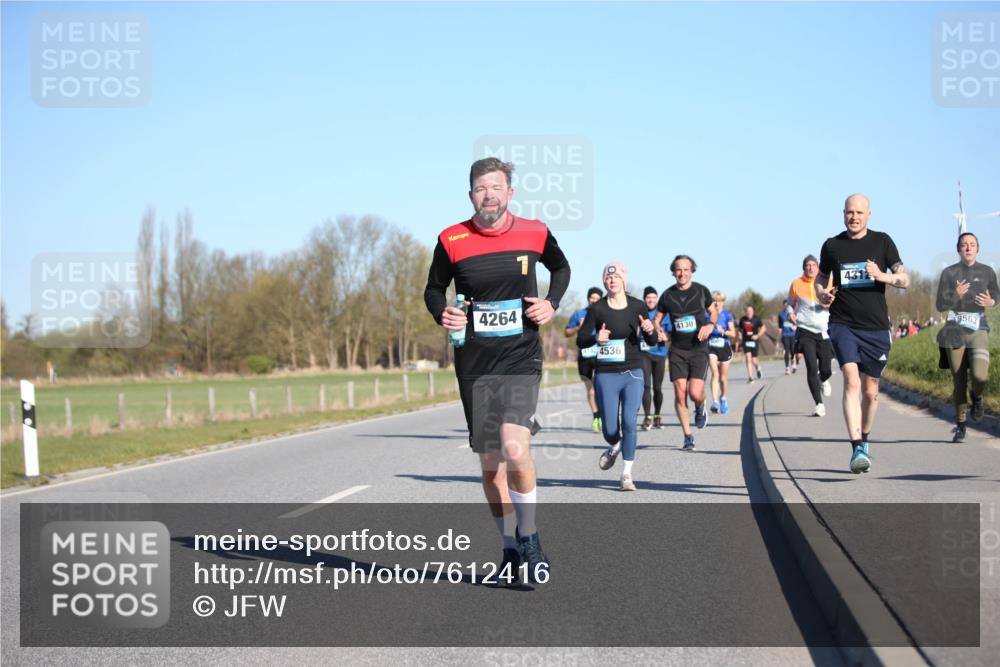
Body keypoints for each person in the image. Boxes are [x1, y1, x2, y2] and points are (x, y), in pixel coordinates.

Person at [424, 157, 570, 582]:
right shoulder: (451, 238)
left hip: (521, 357)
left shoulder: (535, 232)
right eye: (480, 188)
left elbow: (560, 268)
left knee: (515, 447)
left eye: (496, 187)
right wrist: (443, 314)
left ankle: (531, 538)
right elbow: (434, 288)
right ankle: (509, 549)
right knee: (491, 467)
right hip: (474, 361)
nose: (488, 195)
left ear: (510, 192)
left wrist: (551, 302)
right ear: (471, 194)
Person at [816, 193, 909, 474]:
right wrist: (822, 293)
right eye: (849, 212)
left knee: (871, 392)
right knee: (852, 382)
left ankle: (864, 439)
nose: (853, 217)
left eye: (859, 212)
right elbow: (821, 278)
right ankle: (856, 446)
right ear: (843, 214)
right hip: (843, 323)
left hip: (876, 327)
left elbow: (905, 279)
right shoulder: (832, 246)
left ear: (869, 214)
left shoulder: (882, 242)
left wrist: (884, 277)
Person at [577, 264, 657, 490]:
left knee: (629, 422)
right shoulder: (597, 309)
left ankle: (626, 474)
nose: (613, 281)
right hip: (606, 374)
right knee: (610, 429)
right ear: (605, 282)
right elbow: (581, 340)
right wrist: (596, 338)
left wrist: (650, 330)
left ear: (624, 280)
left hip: (633, 371)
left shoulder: (638, 306)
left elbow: (651, 342)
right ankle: (615, 445)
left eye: (617, 277)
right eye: (608, 278)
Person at [935, 232, 998, 442]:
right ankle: (961, 425)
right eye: (964, 245)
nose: (968, 248)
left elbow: (996, 297)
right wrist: (955, 296)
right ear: (958, 249)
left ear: (978, 248)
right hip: (955, 331)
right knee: (959, 380)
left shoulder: (987, 272)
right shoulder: (949, 273)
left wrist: (992, 303)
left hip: (978, 328)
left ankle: (977, 396)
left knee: (980, 376)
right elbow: (940, 305)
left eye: (972, 245)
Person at [653, 255, 718, 451]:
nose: (682, 273)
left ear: (692, 271)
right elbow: (657, 318)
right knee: (680, 394)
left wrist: (709, 325)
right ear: (673, 272)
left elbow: (714, 312)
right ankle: (687, 436)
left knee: (694, 392)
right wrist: (658, 329)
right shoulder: (667, 295)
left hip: (698, 348)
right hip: (677, 350)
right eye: (678, 270)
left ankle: (700, 405)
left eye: (686, 269)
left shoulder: (701, 291)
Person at [788, 254, 835, 417]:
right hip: (805, 329)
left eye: (813, 265)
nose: (810, 268)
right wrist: (791, 314)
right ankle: (819, 404)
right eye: (807, 265)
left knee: (826, 369)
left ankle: (824, 379)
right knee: (811, 367)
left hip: (823, 330)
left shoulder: (827, 281)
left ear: (818, 267)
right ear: (804, 268)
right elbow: (789, 304)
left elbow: (836, 299)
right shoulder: (796, 284)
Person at [565, 287, 603, 433]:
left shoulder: (603, 313)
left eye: (597, 298)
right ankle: (596, 416)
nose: (594, 300)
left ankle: (604, 414)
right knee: (591, 389)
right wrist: (577, 328)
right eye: (591, 297)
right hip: (585, 355)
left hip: (600, 354)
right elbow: (566, 332)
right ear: (588, 299)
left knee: (599, 386)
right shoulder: (579, 314)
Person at [639, 286, 669, 430]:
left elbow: (670, 332)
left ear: (656, 299)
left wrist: (666, 336)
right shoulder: (639, 311)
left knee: (657, 388)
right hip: (644, 353)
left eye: (653, 297)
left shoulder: (662, 314)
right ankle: (647, 417)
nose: (651, 300)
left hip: (660, 354)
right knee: (646, 386)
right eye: (648, 297)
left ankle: (657, 416)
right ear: (644, 299)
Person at [707, 291, 736, 414]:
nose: (716, 303)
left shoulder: (727, 315)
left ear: (723, 302)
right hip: (711, 347)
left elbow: (733, 333)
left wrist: (723, 331)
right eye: (714, 301)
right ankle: (715, 401)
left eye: (719, 301)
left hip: (724, 347)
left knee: (723, 378)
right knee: (715, 373)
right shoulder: (707, 315)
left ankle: (723, 398)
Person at [738, 305, 766, 383]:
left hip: (754, 342)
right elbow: (740, 329)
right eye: (748, 311)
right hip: (746, 341)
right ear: (745, 312)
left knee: (754, 360)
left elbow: (764, 328)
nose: (749, 312)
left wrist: (757, 335)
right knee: (748, 358)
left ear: (753, 311)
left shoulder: (757, 319)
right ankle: (750, 377)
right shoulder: (742, 319)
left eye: (751, 311)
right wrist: (740, 334)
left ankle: (758, 367)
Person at [778, 300, 798, 374]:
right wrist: (779, 334)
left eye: (787, 305)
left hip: (792, 334)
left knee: (793, 350)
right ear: (783, 306)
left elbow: (797, 323)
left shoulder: (793, 313)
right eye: (785, 305)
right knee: (786, 351)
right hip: (785, 335)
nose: (786, 307)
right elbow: (780, 326)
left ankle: (794, 363)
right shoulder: (781, 314)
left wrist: (795, 327)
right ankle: (787, 367)